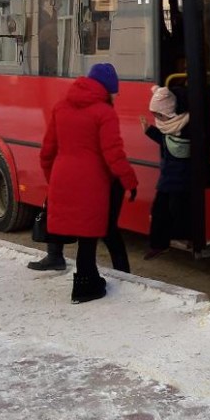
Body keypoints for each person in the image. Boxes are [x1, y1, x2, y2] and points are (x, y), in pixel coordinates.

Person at [39, 63, 139, 303]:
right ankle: (84, 286)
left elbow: (47, 151)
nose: (116, 95)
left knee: (86, 231)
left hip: (64, 174)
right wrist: (129, 180)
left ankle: (90, 280)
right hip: (92, 180)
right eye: (115, 90)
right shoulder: (104, 112)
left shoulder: (61, 107)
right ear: (106, 88)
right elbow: (113, 153)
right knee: (89, 233)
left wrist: (52, 179)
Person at [140, 85, 190, 260]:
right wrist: (149, 130)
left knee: (175, 210)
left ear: (168, 111)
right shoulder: (169, 125)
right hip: (168, 178)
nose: (157, 118)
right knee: (159, 210)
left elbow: (171, 144)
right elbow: (166, 142)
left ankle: (175, 238)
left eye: (158, 115)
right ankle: (159, 244)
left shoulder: (185, 125)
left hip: (181, 178)